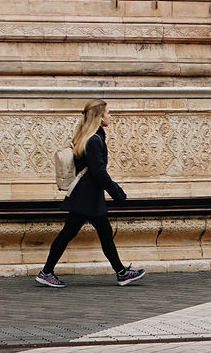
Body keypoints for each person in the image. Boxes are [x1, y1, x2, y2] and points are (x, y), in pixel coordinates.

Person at [36, 99, 145, 289]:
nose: (110, 116)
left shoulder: (89, 136)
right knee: (71, 234)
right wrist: (117, 193)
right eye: (108, 113)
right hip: (86, 198)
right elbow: (98, 172)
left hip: (88, 197)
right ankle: (46, 272)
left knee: (102, 233)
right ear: (100, 118)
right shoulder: (94, 140)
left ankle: (121, 273)